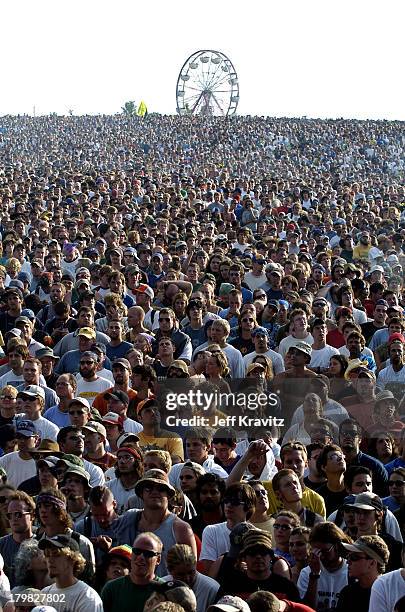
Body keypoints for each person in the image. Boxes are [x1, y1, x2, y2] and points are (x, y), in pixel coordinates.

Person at [115, 469, 196, 576]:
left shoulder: (181, 528)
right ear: (141, 494)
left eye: (161, 488)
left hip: (165, 590)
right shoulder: (129, 518)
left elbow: (191, 569)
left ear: (168, 494)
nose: (154, 492)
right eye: (148, 488)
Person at [200, 482, 257, 574]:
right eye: (226, 500)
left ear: (248, 506)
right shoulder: (211, 531)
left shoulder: (257, 535)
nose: (229, 505)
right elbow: (208, 572)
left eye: (235, 501)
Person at [101, 532, 165, 612]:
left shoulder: (165, 591)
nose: (141, 557)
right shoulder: (111, 588)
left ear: (158, 559)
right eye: (137, 551)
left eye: (148, 554)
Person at [39, 534, 102, 611]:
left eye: (56, 554)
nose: (50, 560)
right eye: (47, 554)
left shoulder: (87, 597)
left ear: (72, 559)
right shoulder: (44, 594)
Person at [297, 522, 350, 611]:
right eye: (316, 551)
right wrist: (314, 575)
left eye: (325, 551)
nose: (321, 556)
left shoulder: (350, 571)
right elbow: (306, 608)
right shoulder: (307, 572)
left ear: (337, 546)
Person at [337, 535, 390, 612]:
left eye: (354, 557)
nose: (348, 561)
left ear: (372, 563)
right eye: (348, 556)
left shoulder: (389, 593)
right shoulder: (347, 593)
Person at [164, 543, 220, 612]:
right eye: (181, 574)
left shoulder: (211, 589)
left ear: (195, 565)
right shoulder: (163, 587)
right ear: (170, 570)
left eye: (191, 572)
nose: (187, 578)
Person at [0, 491, 35, 586]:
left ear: (32, 516)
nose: (13, 519)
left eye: (18, 514)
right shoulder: (1, 545)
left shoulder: (41, 545)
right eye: (9, 515)